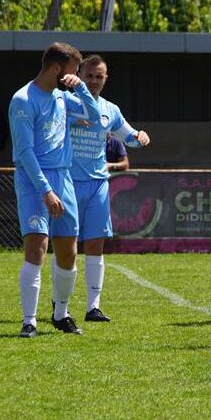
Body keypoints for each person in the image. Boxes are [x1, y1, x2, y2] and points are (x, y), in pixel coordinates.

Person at [10, 41, 102, 338]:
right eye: (75, 71)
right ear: (57, 68)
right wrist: (46, 191)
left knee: (68, 250)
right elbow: (24, 152)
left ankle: (61, 313)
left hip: (64, 179)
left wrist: (82, 89)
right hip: (34, 181)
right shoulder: (23, 99)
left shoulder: (64, 98)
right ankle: (29, 320)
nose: (77, 76)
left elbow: (95, 116)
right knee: (36, 246)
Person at [69, 54, 150, 322]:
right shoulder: (65, 102)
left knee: (95, 244)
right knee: (63, 246)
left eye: (98, 76)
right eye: (89, 76)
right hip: (66, 183)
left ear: (106, 78)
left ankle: (93, 307)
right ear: (80, 75)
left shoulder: (110, 110)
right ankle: (61, 306)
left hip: (97, 186)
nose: (93, 81)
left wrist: (140, 137)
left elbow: (129, 137)